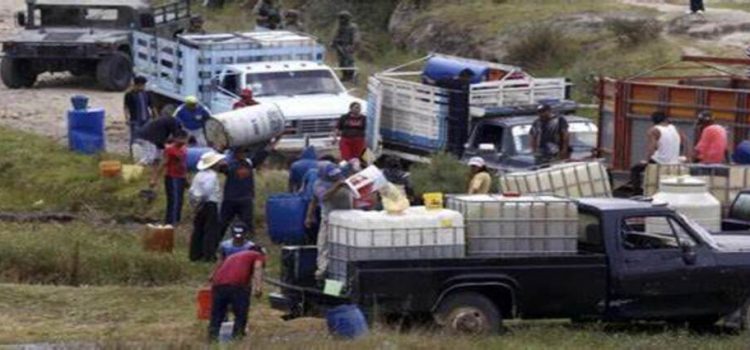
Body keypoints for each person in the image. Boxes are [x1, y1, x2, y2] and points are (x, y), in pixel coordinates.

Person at [305, 163, 353, 280]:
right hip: (329, 219)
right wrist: (309, 216)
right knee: (324, 245)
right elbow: (321, 198)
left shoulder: (342, 178)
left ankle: (344, 272)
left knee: (343, 247)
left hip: (346, 219)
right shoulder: (319, 185)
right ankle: (323, 271)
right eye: (333, 176)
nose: (336, 177)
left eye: (336, 175)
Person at [208, 247, 265, 342]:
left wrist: (212, 276)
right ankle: (237, 338)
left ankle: (212, 337)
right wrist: (258, 287)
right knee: (240, 313)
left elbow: (219, 266)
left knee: (217, 313)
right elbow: (257, 268)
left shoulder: (233, 256)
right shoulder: (257, 255)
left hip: (218, 285)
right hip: (237, 285)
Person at [219, 145, 272, 237]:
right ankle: (216, 242)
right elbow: (220, 167)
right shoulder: (229, 164)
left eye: (244, 152)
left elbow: (263, 154)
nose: (243, 154)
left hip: (245, 199)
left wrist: (274, 141)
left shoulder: (249, 163)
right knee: (223, 223)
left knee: (247, 222)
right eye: (240, 152)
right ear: (235, 154)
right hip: (230, 199)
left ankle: (248, 243)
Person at [629, 111, 687, 195]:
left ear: (653, 121)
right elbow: (685, 142)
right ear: (666, 119)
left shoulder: (654, 130)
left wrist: (647, 160)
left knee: (635, 169)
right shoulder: (675, 128)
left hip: (660, 161)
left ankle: (637, 193)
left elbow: (651, 148)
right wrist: (684, 156)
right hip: (674, 161)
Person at [189, 151, 226, 262]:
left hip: (199, 203)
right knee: (210, 230)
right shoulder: (212, 176)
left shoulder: (199, 175)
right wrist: (203, 200)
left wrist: (196, 203)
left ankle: (195, 254)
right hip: (210, 203)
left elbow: (192, 191)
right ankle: (208, 255)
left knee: (198, 229)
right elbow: (207, 190)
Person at [151, 129, 190, 225]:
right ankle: (170, 222)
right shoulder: (170, 150)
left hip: (181, 176)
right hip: (172, 176)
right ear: (175, 139)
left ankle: (176, 221)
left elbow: (184, 164)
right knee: (173, 200)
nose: (183, 141)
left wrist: (186, 178)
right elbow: (163, 163)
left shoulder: (184, 149)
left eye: (184, 139)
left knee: (180, 200)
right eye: (180, 138)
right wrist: (154, 178)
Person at [134, 112, 183, 180]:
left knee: (157, 158)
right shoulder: (173, 122)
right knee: (149, 158)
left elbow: (160, 142)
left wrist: (166, 146)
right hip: (146, 138)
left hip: (145, 136)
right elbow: (176, 136)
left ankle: (153, 176)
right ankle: (133, 171)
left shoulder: (165, 123)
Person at [124, 76, 158, 158]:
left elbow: (152, 106)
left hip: (147, 119)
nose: (143, 87)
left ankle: (146, 154)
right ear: (136, 85)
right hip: (135, 120)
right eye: (141, 85)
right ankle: (133, 155)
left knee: (148, 138)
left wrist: (156, 117)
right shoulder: (129, 95)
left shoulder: (147, 94)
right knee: (134, 138)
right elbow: (126, 107)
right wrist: (127, 118)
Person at [331, 10, 360, 82]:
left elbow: (356, 37)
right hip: (340, 46)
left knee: (349, 62)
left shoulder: (353, 27)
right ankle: (345, 76)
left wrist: (353, 46)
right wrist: (334, 43)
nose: (341, 20)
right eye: (340, 18)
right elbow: (336, 36)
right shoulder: (340, 27)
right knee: (341, 62)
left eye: (342, 18)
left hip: (348, 46)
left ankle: (351, 76)